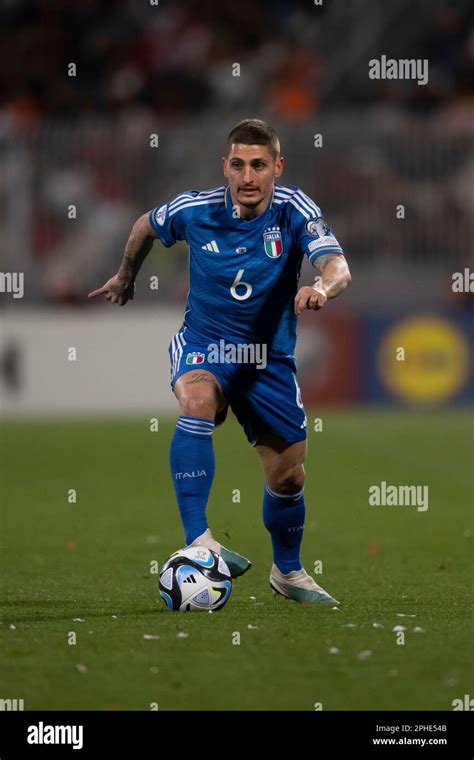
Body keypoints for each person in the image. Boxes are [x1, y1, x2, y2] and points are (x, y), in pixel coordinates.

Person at [89, 118, 351, 604]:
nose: (247, 177)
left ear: (278, 167)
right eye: (238, 165)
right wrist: (126, 275)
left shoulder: (295, 210)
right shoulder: (195, 209)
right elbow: (145, 225)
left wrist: (321, 287)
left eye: (258, 165)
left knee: (288, 475)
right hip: (205, 343)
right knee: (196, 401)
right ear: (225, 168)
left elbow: (337, 265)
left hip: (268, 358)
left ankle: (288, 573)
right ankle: (200, 540)